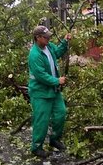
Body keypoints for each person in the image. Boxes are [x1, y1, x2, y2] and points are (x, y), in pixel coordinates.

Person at [28, 25, 72, 158]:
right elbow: (41, 75)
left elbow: (58, 53)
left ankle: (54, 139)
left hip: (54, 90)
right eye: (46, 37)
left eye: (49, 36)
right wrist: (57, 81)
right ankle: (36, 147)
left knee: (61, 113)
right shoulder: (34, 55)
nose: (49, 38)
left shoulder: (49, 46)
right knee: (42, 120)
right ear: (38, 38)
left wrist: (65, 42)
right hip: (40, 92)